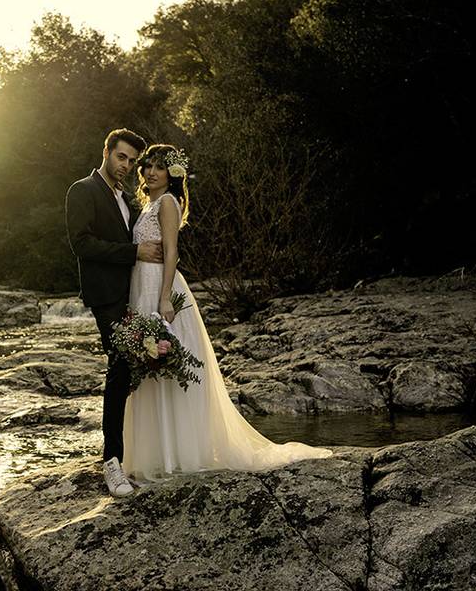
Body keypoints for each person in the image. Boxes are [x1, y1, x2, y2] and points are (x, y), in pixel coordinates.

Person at [122, 144, 333, 482]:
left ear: (172, 175)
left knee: (167, 366)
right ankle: (157, 451)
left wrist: (164, 300)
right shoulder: (148, 204)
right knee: (149, 369)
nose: (150, 172)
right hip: (141, 288)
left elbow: (172, 253)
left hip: (161, 290)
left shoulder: (167, 204)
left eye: (159, 167)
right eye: (147, 166)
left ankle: (178, 453)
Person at [65, 128, 163, 497]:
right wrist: (133, 254)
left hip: (135, 294)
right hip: (105, 296)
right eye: (121, 157)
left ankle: (137, 452)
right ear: (106, 151)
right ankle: (112, 463)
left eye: (132, 161)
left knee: (136, 370)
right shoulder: (82, 190)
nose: (126, 166)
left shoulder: (127, 199)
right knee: (120, 365)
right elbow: (81, 244)